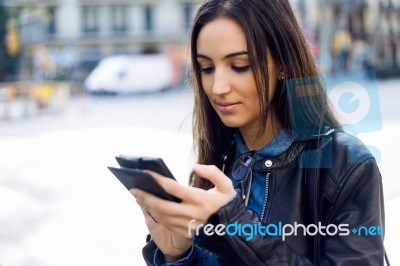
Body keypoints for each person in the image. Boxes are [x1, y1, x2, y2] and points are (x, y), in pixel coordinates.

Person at [131, 0, 387, 265]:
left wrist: (238, 228)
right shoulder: (219, 164)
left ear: (284, 63)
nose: (218, 87)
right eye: (206, 68)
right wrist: (178, 254)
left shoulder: (346, 165)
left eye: (240, 66)